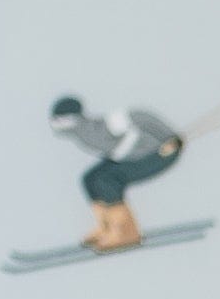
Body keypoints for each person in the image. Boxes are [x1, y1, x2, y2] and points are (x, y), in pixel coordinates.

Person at [46, 95, 182, 251]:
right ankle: (107, 227)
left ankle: (126, 232)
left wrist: (170, 136)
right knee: (90, 178)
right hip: (133, 156)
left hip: (160, 152)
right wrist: (119, 154)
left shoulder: (109, 124)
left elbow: (140, 118)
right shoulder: (85, 133)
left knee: (107, 180)